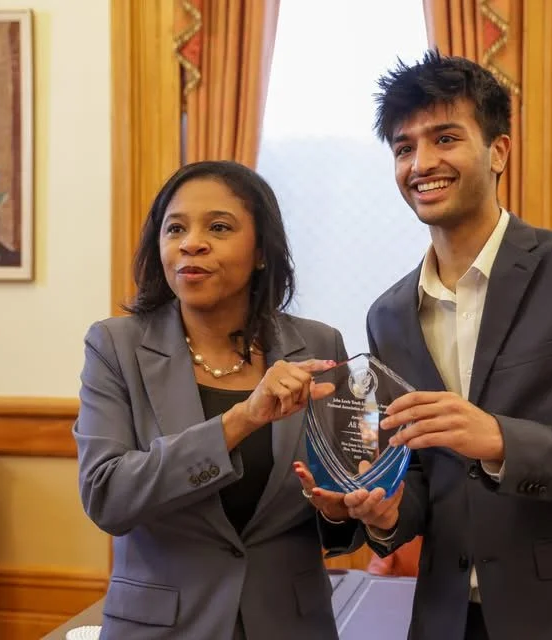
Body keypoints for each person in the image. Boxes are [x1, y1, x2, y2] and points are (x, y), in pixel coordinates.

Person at [336, 51, 552, 639]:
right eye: (403, 147)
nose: (422, 163)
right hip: (446, 619)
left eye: (445, 138)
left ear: (499, 152)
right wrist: (385, 515)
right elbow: (416, 481)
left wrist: (499, 441)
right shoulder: (387, 316)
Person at [73, 160, 359, 640]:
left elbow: (345, 516)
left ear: (262, 251)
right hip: (162, 628)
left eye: (219, 227)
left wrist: (338, 508)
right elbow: (107, 496)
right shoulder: (115, 346)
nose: (191, 243)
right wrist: (242, 419)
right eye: (175, 228)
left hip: (291, 624)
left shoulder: (320, 346)